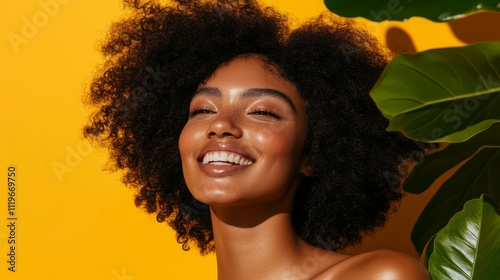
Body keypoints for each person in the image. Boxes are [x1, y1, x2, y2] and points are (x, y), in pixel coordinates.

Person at [84, 0, 431, 278]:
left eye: (263, 112)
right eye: (202, 110)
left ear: (313, 153)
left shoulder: (379, 276)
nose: (220, 125)